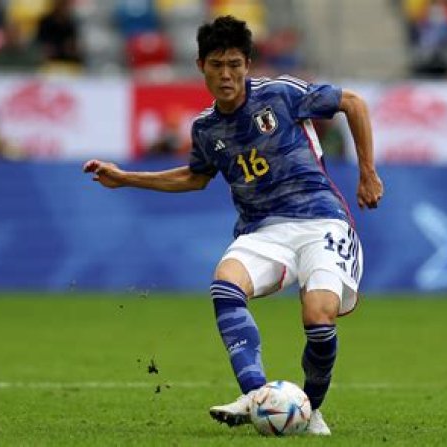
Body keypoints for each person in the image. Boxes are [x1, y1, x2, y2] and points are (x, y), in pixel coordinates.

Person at [83, 16, 383, 435]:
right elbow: (195, 177)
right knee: (225, 285)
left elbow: (353, 103)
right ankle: (256, 394)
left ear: (247, 65)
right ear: (200, 66)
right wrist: (127, 178)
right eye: (217, 65)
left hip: (321, 221)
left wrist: (367, 172)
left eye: (235, 64)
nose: (226, 74)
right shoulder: (206, 128)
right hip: (262, 230)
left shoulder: (281, 94)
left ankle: (310, 409)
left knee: (318, 317)